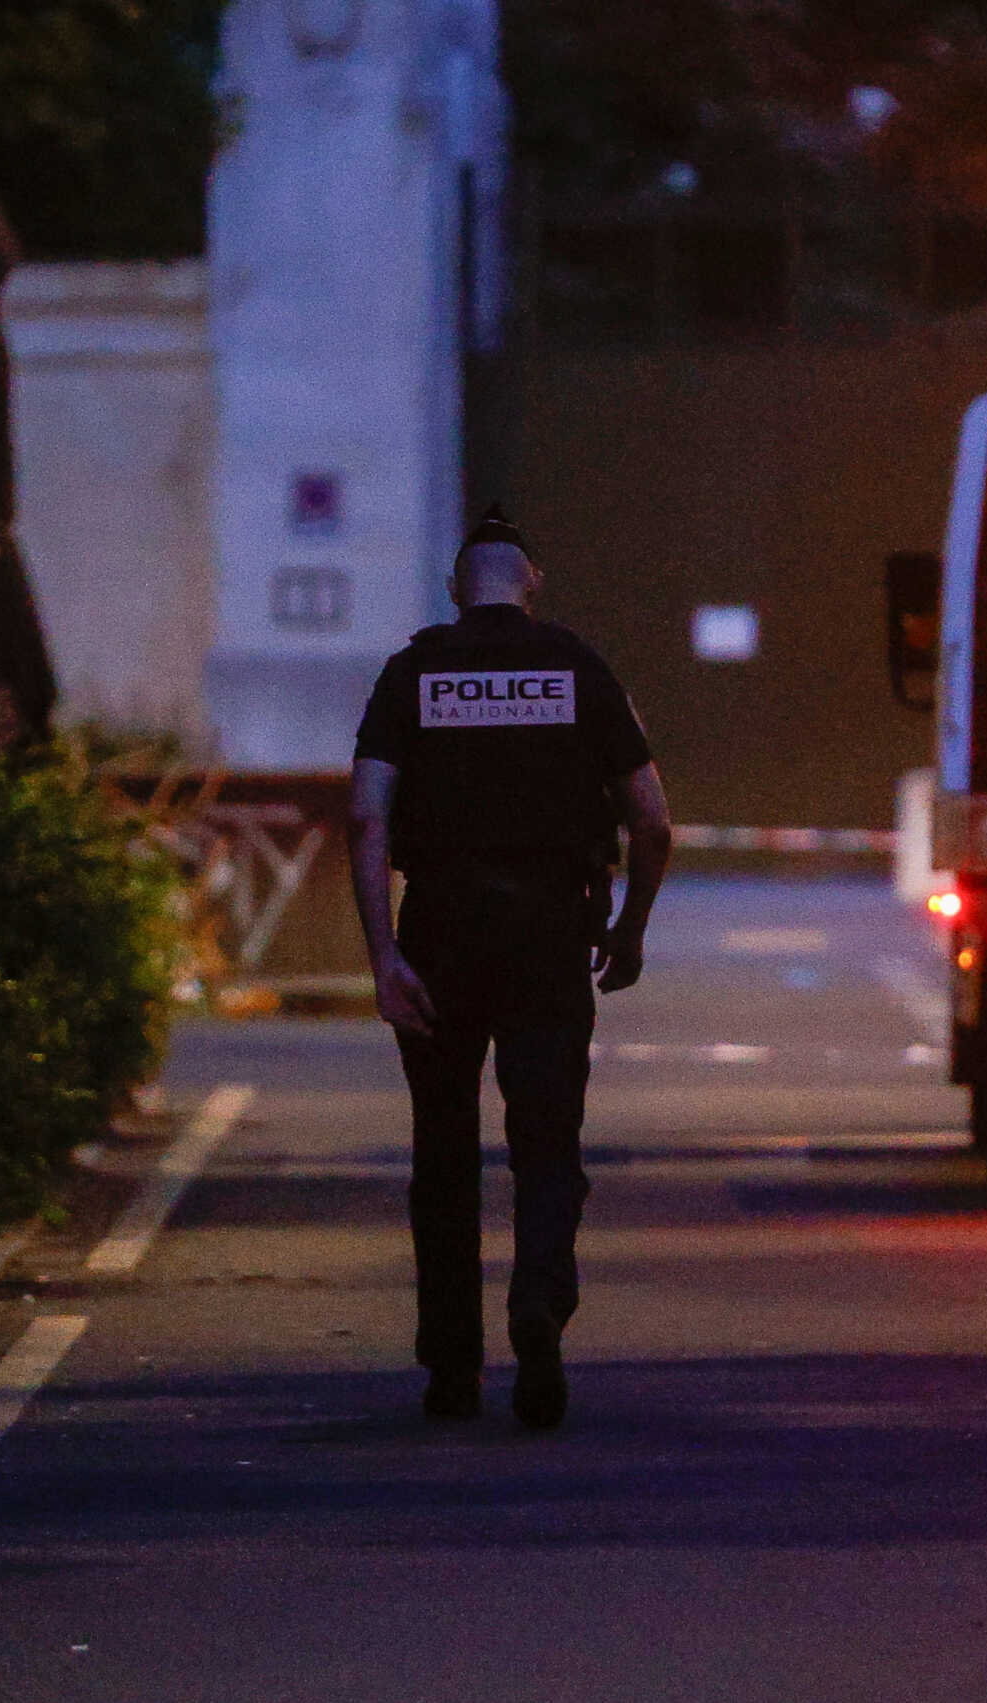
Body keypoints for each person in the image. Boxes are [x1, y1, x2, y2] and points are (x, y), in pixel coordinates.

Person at [347, 509, 671, 1429]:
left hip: (442, 930)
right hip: (547, 934)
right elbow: (650, 818)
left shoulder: (411, 673)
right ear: (532, 581)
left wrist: (383, 957)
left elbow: (368, 819)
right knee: (546, 1145)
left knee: (443, 1154)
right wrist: (633, 929)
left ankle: (452, 1368)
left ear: (457, 588)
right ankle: (538, 1308)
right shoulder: (579, 669)